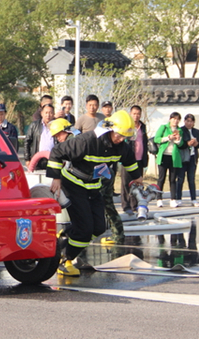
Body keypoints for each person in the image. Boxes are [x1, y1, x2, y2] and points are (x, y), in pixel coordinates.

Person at [47, 110, 141, 276]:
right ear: (110, 129)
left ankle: (67, 236)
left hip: (93, 187)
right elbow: (57, 152)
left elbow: (130, 163)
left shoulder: (121, 147)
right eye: (119, 135)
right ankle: (64, 260)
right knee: (84, 229)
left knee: (98, 227)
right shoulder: (87, 141)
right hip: (74, 186)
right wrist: (56, 178)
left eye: (124, 137)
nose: (121, 139)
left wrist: (138, 180)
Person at [121, 105, 149, 215]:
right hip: (128, 159)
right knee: (126, 183)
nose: (136, 116)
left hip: (140, 158)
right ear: (130, 114)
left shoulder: (143, 126)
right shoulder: (127, 126)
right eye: (134, 114)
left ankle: (134, 205)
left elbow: (144, 142)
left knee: (137, 184)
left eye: (138, 114)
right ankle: (126, 205)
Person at [154, 112, 184, 208]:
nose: (175, 121)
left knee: (172, 179)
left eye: (177, 119)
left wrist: (178, 140)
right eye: (174, 119)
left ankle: (173, 199)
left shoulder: (179, 130)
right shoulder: (164, 127)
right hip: (164, 156)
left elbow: (181, 144)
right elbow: (156, 139)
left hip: (174, 157)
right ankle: (159, 199)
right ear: (170, 119)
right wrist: (168, 138)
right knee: (161, 178)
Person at [176, 114, 199, 207]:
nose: (189, 123)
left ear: (193, 123)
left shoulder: (197, 132)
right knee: (180, 179)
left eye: (191, 121)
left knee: (191, 179)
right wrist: (187, 143)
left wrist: (197, 144)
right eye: (187, 121)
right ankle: (178, 198)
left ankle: (193, 199)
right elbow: (179, 144)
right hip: (183, 158)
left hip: (193, 157)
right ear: (184, 121)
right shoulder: (181, 130)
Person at [24, 104, 55, 170]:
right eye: (46, 113)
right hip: (37, 160)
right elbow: (27, 142)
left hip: (52, 160)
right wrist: (27, 159)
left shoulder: (57, 126)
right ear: (42, 113)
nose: (48, 115)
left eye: (50, 113)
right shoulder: (34, 125)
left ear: (53, 114)